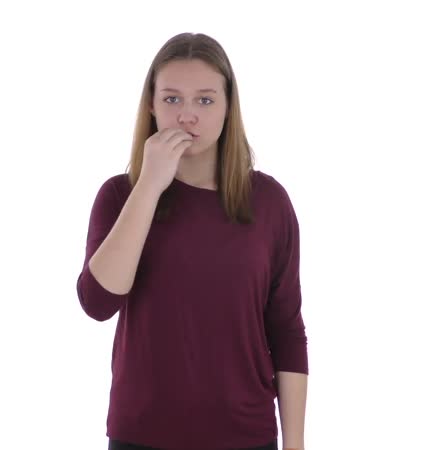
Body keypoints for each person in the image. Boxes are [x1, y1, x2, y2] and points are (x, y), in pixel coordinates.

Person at [76, 32, 308, 450]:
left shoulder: (269, 202)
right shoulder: (119, 196)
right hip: (141, 435)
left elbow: (287, 330)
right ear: (151, 105)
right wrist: (149, 184)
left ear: (227, 106)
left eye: (204, 100)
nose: (187, 116)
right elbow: (98, 302)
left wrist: (295, 445)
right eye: (171, 99)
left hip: (245, 436)